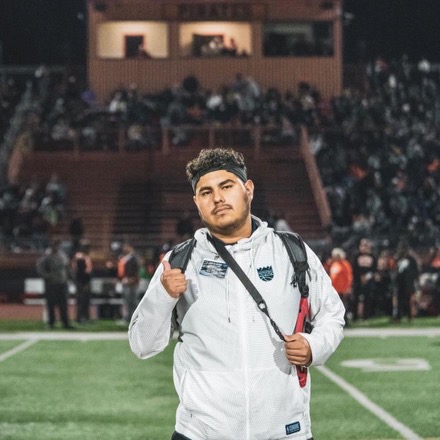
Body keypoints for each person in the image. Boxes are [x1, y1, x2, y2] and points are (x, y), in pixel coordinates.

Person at [129, 147, 345, 440]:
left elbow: (332, 314)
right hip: (201, 432)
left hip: (284, 431)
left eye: (226, 186)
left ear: (248, 189)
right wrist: (163, 297)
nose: (217, 198)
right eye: (206, 192)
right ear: (197, 202)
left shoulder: (290, 250)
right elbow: (142, 345)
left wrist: (314, 346)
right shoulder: (180, 261)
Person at [36, 239, 73, 329]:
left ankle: (65, 323)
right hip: (51, 284)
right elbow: (40, 269)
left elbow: (67, 267)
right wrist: (48, 277)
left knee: (63, 304)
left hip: (62, 283)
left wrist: (70, 277)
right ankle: (51, 323)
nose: (56, 247)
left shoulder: (63, 255)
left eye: (57, 245)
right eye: (55, 245)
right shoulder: (46, 257)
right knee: (51, 304)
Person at [328, 247, 353, 325]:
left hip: (342, 290)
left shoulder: (345, 264)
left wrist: (348, 287)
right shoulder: (334, 264)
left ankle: (345, 321)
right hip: (335, 290)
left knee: (343, 306)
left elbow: (349, 277)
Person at [71, 242, 93, 324]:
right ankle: (80, 318)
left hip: (85, 281)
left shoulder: (85, 257)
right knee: (81, 300)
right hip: (81, 282)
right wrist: (83, 283)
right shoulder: (79, 257)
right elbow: (79, 271)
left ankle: (86, 317)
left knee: (86, 300)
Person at [118, 242, 140, 323]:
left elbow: (135, 269)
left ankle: (135, 318)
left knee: (133, 301)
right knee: (127, 301)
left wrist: (131, 278)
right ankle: (127, 318)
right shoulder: (124, 258)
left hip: (132, 282)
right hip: (125, 281)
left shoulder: (133, 258)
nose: (125, 249)